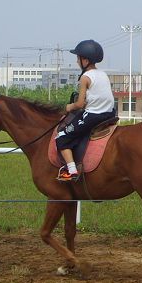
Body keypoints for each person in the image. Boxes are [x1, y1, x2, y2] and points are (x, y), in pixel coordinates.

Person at [55, 39, 117, 181]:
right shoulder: (103, 74)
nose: (77, 61)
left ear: (85, 60)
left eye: (78, 58)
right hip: (109, 114)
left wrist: (68, 107)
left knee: (62, 137)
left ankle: (71, 171)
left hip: (93, 116)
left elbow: (80, 104)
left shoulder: (85, 77)